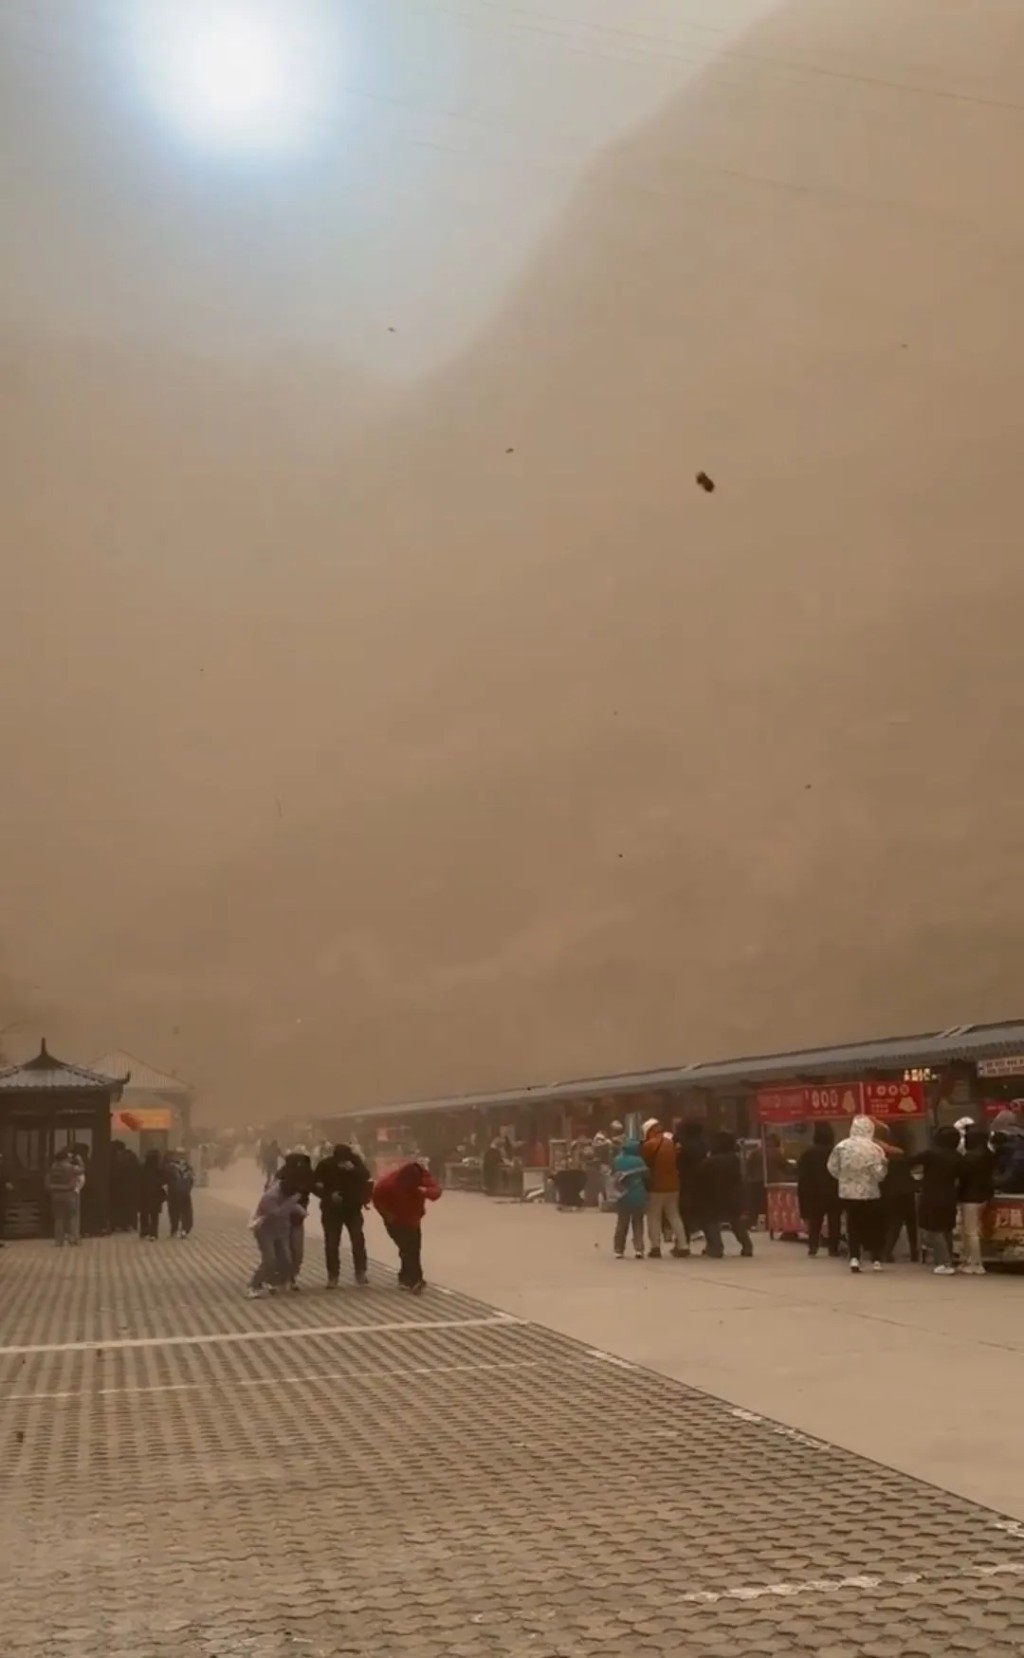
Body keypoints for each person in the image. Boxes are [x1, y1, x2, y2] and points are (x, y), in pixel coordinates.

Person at [827, 1116, 887, 1272]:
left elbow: (832, 1168)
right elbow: (879, 1175)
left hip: (848, 1193)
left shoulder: (841, 1146)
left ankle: (854, 1258)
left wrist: (844, 1178)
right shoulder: (875, 1149)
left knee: (852, 1225)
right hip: (870, 1193)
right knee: (872, 1225)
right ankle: (876, 1259)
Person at [372, 1158, 441, 1293]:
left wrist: (425, 1191)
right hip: (395, 1220)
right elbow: (377, 1199)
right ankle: (415, 1279)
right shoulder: (388, 1185)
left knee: (412, 1249)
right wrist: (388, 1215)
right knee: (408, 1249)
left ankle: (408, 1279)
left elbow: (436, 1191)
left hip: (413, 1219)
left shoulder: (422, 1177)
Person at [313, 1143, 372, 1288]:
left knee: (357, 1239)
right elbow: (315, 1185)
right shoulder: (325, 1165)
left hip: (352, 1208)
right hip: (331, 1209)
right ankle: (333, 1275)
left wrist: (353, 1169)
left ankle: (360, 1271)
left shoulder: (355, 1162)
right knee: (332, 1243)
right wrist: (328, 1195)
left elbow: (366, 1176)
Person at [906, 1126, 962, 1274]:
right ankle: (948, 1260)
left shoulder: (931, 1154)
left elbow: (910, 1161)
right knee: (946, 1229)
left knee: (932, 1229)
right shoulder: (958, 1156)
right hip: (950, 1195)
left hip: (931, 1195)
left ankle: (944, 1262)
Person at [246, 1180, 306, 1298]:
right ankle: (253, 1286)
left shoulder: (288, 1196)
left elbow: (291, 1207)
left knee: (286, 1259)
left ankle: (272, 1281)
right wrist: (291, 1201)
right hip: (265, 1231)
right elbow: (276, 1213)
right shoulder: (270, 1197)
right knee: (270, 1260)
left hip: (282, 1231)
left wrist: (300, 1210)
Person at [640, 1118, 689, 1258]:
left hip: (656, 1186)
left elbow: (643, 1162)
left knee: (654, 1217)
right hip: (673, 1185)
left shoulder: (649, 1145)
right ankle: (683, 1245)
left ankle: (655, 1247)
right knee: (674, 1215)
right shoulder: (671, 1143)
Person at [700, 1132, 754, 1258]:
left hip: (715, 1194)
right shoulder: (734, 1159)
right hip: (733, 1194)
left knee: (711, 1221)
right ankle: (747, 1246)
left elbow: (703, 1173)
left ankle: (716, 1248)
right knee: (736, 1221)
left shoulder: (712, 1161)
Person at [796, 1124, 842, 1257]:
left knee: (815, 1221)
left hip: (814, 1192)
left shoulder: (808, 1153)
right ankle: (833, 1248)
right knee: (835, 1221)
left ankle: (813, 1246)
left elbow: (802, 1174)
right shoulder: (836, 1152)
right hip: (834, 1192)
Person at [876, 1124, 918, 1263]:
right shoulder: (904, 1152)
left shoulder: (885, 1153)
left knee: (895, 1222)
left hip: (891, 1191)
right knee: (912, 1223)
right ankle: (915, 1252)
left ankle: (886, 1251)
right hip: (908, 1190)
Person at [959, 1125, 995, 1276]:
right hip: (984, 1195)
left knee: (970, 1231)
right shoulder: (989, 1154)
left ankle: (976, 1263)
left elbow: (962, 1177)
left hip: (969, 1197)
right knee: (975, 1229)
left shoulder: (969, 1157)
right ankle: (970, 1261)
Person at [278, 1152, 314, 1288]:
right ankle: (282, 1278)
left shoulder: (306, 1177)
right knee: (283, 1250)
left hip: (297, 1221)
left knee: (297, 1251)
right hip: (281, 1221)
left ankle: (292, 1276)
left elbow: (317, 1187)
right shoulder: (281, 1178)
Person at [611, 1138, 648, 1258]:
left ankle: (618, 1250)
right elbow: (647, 1177)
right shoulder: (639, 1161)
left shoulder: (617, 1160)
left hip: (622, 1195)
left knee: (622, 1223)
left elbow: (613, 1176)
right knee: (638, 1222)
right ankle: (639, 1249)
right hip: (638, 1194)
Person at [675, 1121, 708, 1247]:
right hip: (703, 1181)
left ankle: (683, 1243)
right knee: (703, 1212)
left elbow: (678, 1162)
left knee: (684, 1212)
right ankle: (711, 1243)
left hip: (686, 1181)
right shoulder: (704, 1144)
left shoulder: (684, 1145)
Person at [44, 1148, 85, 1247]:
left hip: (56, 1194)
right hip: (68, 1193)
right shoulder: (69, 1167)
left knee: (59, 1218)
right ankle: (73, 1238)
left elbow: (47, 1181)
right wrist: (80, 1160)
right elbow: (81, 1170)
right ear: (65, 1158)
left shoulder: (52, 1168)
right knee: (72, 1217)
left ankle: (59, 1240)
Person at [164, 1150, 196, 1238]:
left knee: (174, 1212)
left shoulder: (170, 1167)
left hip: (174, 1193)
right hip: (184, 1194)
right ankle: (184, 1230)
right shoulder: (188, 1168)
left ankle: (174, 1229)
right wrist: (188, 1188)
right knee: (186, 1212)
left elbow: (166, 1180)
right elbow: (192, 1180)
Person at [138, 1149, 167, 1241]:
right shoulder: (159, 1169)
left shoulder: (142, 1168)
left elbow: (138, 1180)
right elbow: (164, 1180)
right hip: (156, 1194)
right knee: (154, 1215)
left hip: (143, 1194)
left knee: (144, 1213)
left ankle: (144, 1231)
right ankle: (153, 1233)